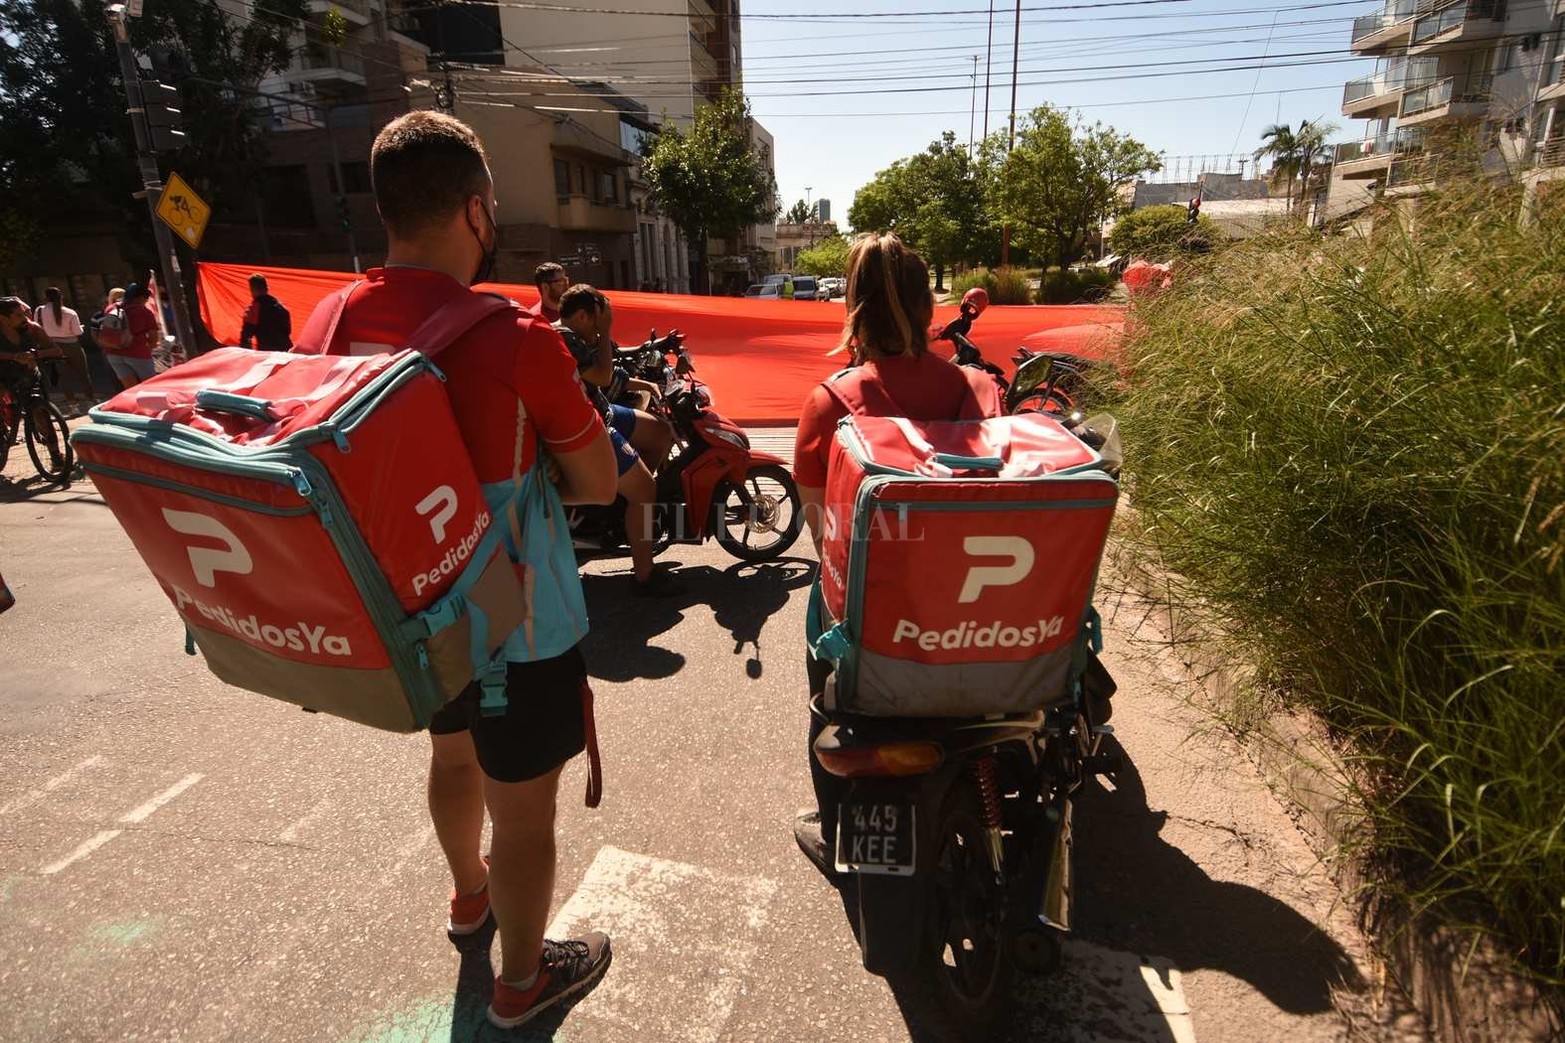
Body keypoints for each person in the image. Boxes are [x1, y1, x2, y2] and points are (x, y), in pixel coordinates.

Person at [291, 110, 617, 1031]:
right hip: (513, 612)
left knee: (451, 751)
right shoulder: (516, 336)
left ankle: (468, 897)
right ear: (476, 210)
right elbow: (597, 481)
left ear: (386, 206)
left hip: (406, 601)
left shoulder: (325, 324)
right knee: (524, 809)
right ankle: (521, 981)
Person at [788, 233, 1003, 874]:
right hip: (976, 606)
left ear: (853, 308)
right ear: (927, 306)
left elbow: (820, 529)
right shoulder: (977, 389)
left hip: (871, 621)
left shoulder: (831, 401)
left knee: (827, 703)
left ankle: (835, 828)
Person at [555, 284, 683, 598]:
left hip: (604, 410)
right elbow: (602, 376)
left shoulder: (578, 336)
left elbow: (611, 376)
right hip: (589, 425)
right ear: (583, 316)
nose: (606, 321)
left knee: (661, 433)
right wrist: (606, 330)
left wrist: (648, 385)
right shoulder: (564, 338)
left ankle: (624, 506)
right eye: (602, 315)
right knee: (645, 489)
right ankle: (644, 575)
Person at [100, 283, 159, 389]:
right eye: (146, 299)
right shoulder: (144, 312)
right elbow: (153, 337)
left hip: (113, 353)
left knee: (131, 388)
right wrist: (149, 348)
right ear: (141, 298)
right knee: (151, 385)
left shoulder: (111, 308)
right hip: (137, 352)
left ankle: (134, 400)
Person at [238, 273, 293, 350]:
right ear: (266, 288)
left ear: (252, 289)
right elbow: (287, 331)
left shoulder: (254, 308)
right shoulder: (281, 307)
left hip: (267, 353)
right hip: (286, 352)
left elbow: (246, 336)